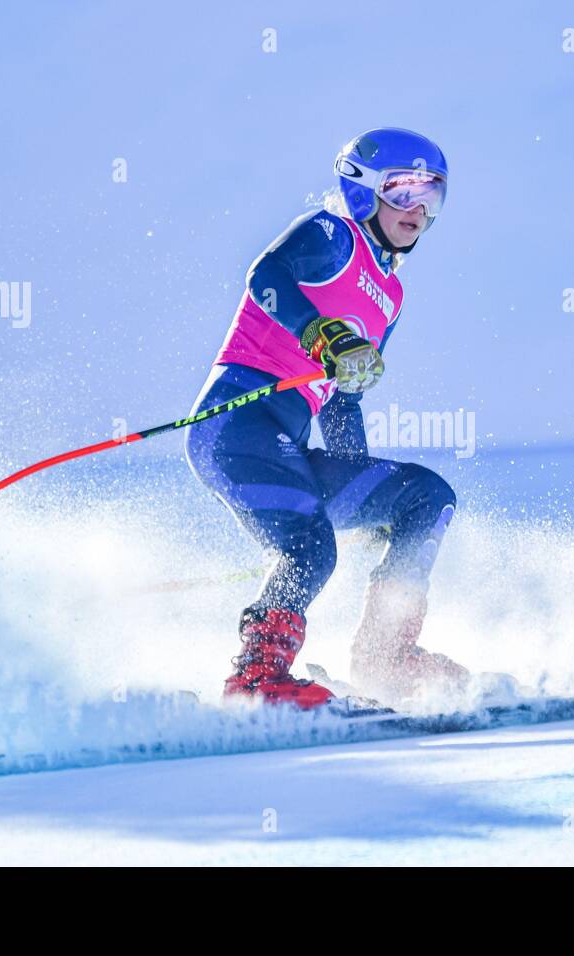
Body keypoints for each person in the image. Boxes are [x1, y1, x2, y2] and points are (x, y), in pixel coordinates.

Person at [186, 128, 466, 709]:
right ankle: (256, 677)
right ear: (363, 189)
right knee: (310, 548)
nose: (417, 209)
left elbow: (343, 398)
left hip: (285, 443)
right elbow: (265, 276)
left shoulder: (389, 293)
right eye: (402, 189)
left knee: (426, 498)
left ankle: (386, 655)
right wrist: (321, 334)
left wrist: (363, 494)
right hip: (233, 428)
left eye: (432, 195)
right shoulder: (331, 232)